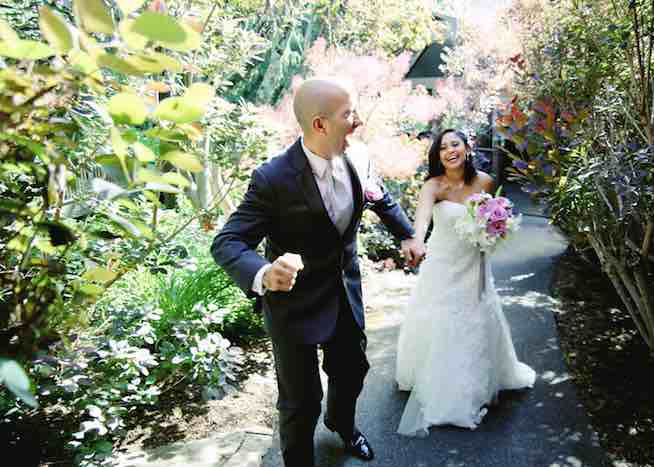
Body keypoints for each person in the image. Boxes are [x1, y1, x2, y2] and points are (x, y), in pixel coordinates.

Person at [211, 78, 424, 467]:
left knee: (353, 371)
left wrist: (407, 234)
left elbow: (381, 198)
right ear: (320, 125)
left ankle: (343, 426)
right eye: (349, 114)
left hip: (344, 294)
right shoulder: (272, 178)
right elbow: (227, 242)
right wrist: (262, 273)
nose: (358, 122)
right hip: (292, 306)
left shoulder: (358, 157)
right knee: (300, 401)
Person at [394, 128, 536, 437]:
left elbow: (495, 220)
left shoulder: (485, 182)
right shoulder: (433, 185)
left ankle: (474, 381)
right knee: (441, 319)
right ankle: (440, 383)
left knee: (473, 319)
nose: (449, 151)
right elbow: (421, 222)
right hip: (442, 264)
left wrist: (494, 233)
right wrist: (417, 242)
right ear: (438, 156)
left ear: (467, 149)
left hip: (474, 264)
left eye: (454, 144)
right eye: (442, 148)